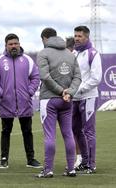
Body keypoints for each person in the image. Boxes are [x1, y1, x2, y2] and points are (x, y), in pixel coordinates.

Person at [0, 33, 42, 169]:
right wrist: (1, 93)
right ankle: (4, 159)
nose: (14, 46)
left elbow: (36, 77)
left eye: (16, 43)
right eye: (11, 44)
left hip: (25, 103)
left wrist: (29, 92)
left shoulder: (28, 60)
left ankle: (31, 159)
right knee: (5, 131)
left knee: (27, 131)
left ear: (19, 44)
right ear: (6, 46)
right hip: (7, 103)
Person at [36, 28, 81, 178]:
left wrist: (61, 91)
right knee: (68, 134)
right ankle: (71, 168)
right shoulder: (70, 54)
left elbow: (45, 77)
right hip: (67, 101)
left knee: (50, 135)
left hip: (49, 99)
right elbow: (77, 78)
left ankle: (48, 169)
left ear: (44, 38)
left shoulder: (43, 53)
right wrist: (69, 92)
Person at [72, 25, 102, 174]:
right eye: (75, 36)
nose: (76, 38)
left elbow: (96, 78)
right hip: (74, 98)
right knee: (75, 130)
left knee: (88, 131)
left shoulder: (93, 53)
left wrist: (80, 89)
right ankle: (84, 161)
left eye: (79, 36)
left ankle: (91, 164)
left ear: (87, 37)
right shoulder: (73, 53)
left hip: (88, 97)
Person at [66, 37, 83, 168]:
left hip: (81, 97)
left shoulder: (77, 58)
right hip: (70, 98)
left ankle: (83, 158)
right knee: (72, 130)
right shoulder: (65, 59)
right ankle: (78, 158)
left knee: (81, 130)